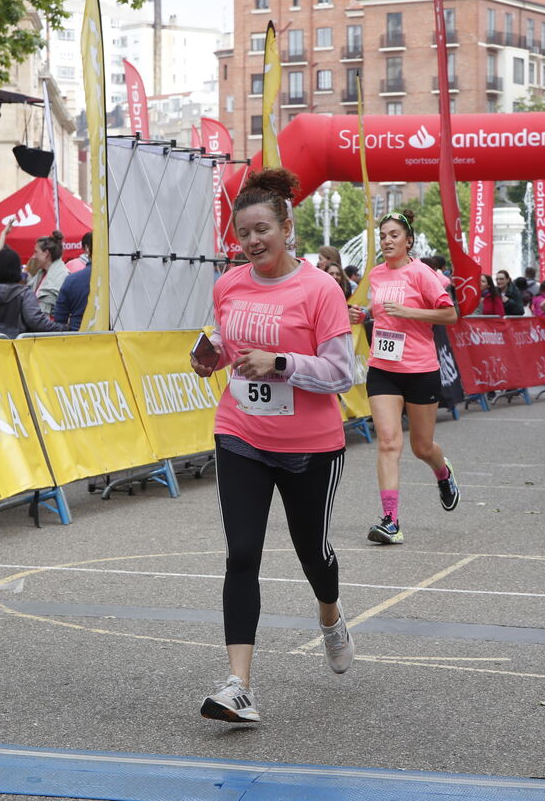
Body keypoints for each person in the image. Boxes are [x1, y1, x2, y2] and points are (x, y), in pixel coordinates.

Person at [189, 167, 356, 724]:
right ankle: (240, 685)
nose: (253, 241)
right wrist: (208, 355)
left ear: (287, 226)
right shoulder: (229, 285)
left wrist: (281, 363)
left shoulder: (320, 289)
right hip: (241, 433)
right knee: (241, 553)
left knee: (314, 554)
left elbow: (342, 372)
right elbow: (223, 338)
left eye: (263, 229)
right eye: (244, 234)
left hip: (310, 446)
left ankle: (330, 615)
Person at [349, 209, 460, 546]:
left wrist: (410, 312)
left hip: (420, 369)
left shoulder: (422, 273)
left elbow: (450, 314)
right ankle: (390, 521)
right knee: (387, 442)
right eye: (383, 236)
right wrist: (362, 314)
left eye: (394, 235)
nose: (387, 241)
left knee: (421, 446)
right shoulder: (377, 275)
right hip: (383, 368)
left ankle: (443, 472)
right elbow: (379, 311)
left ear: (408, 240)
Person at [0, 248, 67, 336]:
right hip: (16, 345)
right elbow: (36, 321)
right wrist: (62, 328)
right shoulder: (24, 293)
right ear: (16, 269)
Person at [27, 231, 69, 315]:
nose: (33, 256)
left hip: (50, 326)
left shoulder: (62, 276)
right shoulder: (41, 273)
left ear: (46, 254)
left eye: (36, 252)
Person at [53, 253, 91, 331]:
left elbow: (59, 319)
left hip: (77, 337)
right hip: (115, 338)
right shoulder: (117, 279)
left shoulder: (72, 280)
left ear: (87, 249)